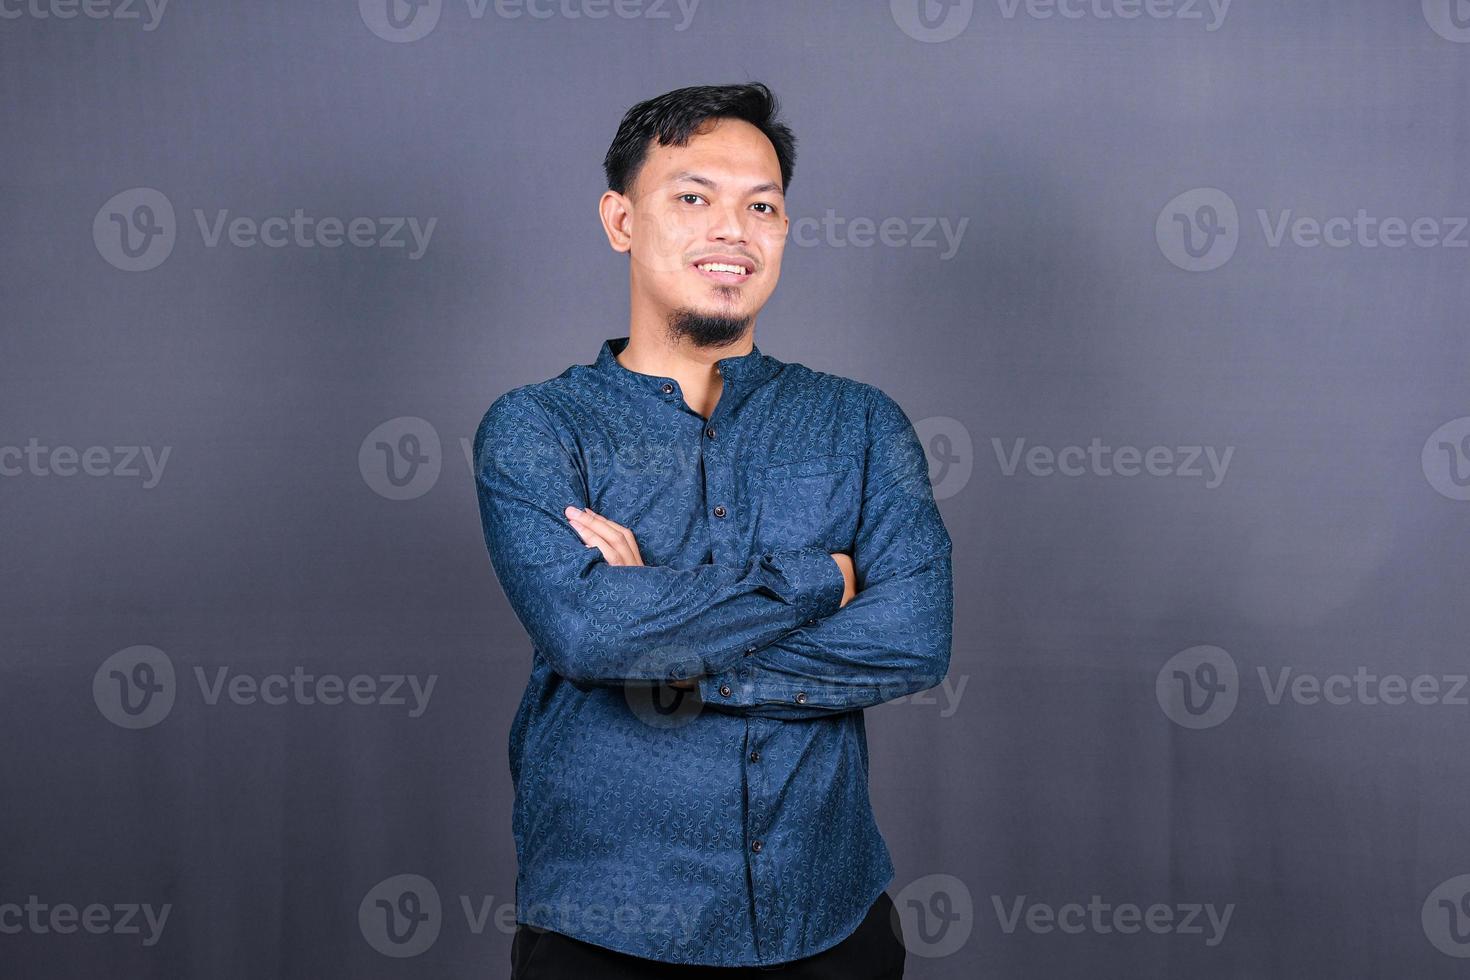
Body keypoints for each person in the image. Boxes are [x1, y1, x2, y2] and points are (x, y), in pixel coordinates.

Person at [473, 81, 953, 978]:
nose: (732, 230)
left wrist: (650, 659)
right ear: (620, 219)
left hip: (830, 919)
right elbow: (585, 631)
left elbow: (915, 641)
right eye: (692, 198)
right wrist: (823, 581)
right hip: (605, 932)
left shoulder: (861, 425)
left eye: (761, 206)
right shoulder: (538, 428)